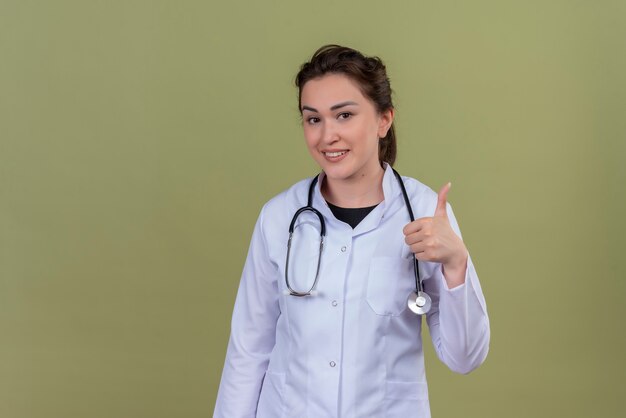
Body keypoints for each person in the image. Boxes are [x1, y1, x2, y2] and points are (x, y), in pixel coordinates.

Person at [213, 44, 490, 418]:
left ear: (383, 120)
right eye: (313, 119)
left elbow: (464, 357)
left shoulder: (425, 214)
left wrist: (456, 263)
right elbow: (248, 351)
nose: (327, 136)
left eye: (344, 115)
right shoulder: (280, 217)